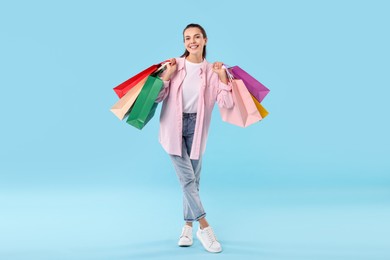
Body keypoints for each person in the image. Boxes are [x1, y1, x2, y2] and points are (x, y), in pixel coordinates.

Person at [155, 23, 233, 253]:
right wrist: (166, 76)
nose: (192, 41)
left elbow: (226, 104)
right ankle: (205, 227)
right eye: (187, 38)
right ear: (184, 43)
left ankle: (187, 227)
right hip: (172, 127)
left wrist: (223, 78)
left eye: (197, 37)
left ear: (205, 40)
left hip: (197, 128)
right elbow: (157, 98)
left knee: (192, 182)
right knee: (188, 180)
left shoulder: (213, 70)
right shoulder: (174, 65)